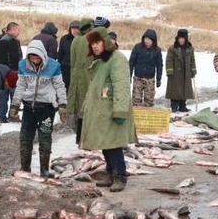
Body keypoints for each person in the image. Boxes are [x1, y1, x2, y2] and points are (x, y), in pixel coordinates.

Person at [81, 29, 137, 192]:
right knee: (106, 144)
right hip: (102, 112)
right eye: (92, 44)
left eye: (97, 43)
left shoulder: (117, 59)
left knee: (114, 146)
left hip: (112, 111)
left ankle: (120, 177)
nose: (95, 47)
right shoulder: (101, 62)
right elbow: (94, 88)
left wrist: (120, 111)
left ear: (105, 42)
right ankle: (111, 175)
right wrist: (85, 109)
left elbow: (121, 87)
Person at [10, 40, 66, 177]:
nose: (34, 60)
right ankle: (25, 168)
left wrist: (63, 104)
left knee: (45, 139)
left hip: (46, 108)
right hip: (29, 107)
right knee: (25, 138)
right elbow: (21, 86)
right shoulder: (23, 65)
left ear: (42, 55)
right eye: (32, 57)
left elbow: (59, 86)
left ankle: (44, 170)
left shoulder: (53, 66)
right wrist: (15, 104)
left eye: (37, 57)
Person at [67, 18, 94, 144]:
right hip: (87, 78)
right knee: (87, 107)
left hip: (75, 77)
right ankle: (86, 139)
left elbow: (72, 61)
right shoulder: (90, 39)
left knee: (77, 107)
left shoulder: (76, 40)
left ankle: (79, 138)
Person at [0, 22, 22, 123]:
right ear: (12, 30)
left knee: (3, 95)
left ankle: (2, 116)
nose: (19, 32)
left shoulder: (0, 40)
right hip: (11, 72)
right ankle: (13, 114)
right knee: (13, 95)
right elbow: (15, 57)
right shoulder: (11, 41)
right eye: (18, 30)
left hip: (1, 72)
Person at [129, 29, 163, 107]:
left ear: (153, 41)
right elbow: (131, 62)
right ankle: (136, 117)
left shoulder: (157, 50)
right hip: (138, 78)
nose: (147, 41)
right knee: (136, 100)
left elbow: (159, 65)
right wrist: (129, 75)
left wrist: (158, 79)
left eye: (149, 39)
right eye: (145, 39)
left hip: (150, 79)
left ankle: (148, 117)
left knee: (149, 101)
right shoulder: (138, 47)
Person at [166, 28, 197, 113]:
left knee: (184, 89)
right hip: (175, 72)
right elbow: (169, 60)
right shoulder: (172, 49)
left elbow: (192, 60)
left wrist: (193, 70)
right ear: (177, 38)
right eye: (180, 38)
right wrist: (169, 71)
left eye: (183, 38)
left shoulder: (190, 49)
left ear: (186, 39)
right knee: (175, 90)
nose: (181, 40)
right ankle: (174, 106)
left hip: (186, 72)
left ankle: (183, 106)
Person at [57, 20, 79, 92]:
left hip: (78, 69)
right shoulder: (64, 39)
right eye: (73, 28)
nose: (75, 30)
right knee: (65, 90)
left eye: (77, 28)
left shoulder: (83, 40)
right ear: (70, 29)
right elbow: (60, 54)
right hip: (65, 69)